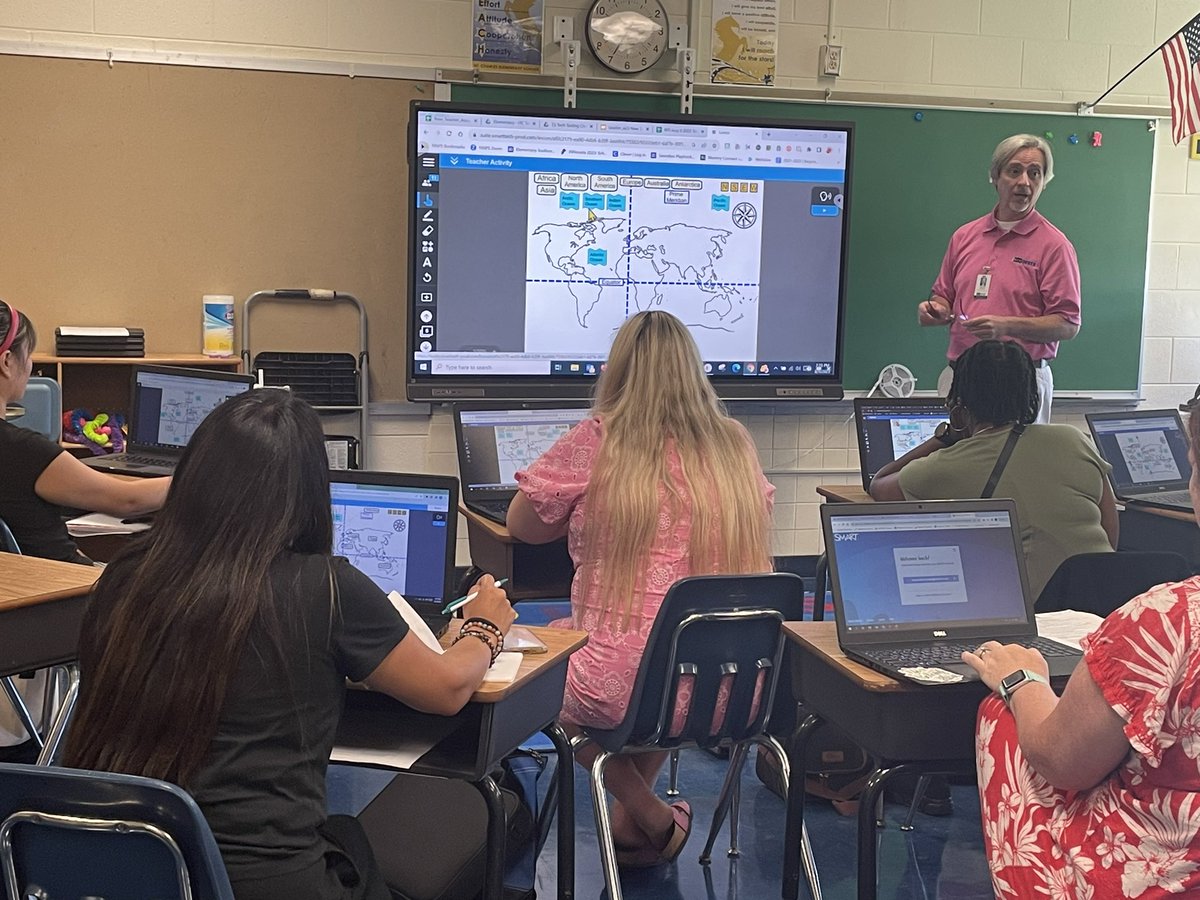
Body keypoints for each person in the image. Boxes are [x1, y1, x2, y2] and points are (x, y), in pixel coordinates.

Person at [62, 388, 515, 900]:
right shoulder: (326, 586)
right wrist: (484, 627)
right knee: (497, 806)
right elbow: (448, 688)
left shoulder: (126, 575)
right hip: (266, 881)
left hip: (121, 869)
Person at [506, 310, 774, 867]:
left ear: (618, 370)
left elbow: (522, 526)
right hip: (738, 687)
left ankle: (645, 811)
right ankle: (634, 826)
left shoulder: (598, 438)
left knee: (525, 673)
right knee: (656, 659)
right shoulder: (735, 443)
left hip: (626, 687)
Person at [959, 402, 1200, 898]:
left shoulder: (1166, 621)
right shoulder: (1071, 445)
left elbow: (1062, 761)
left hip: (1159, 877)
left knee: (1002, 718)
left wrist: (1020, 680)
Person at [870, 340, 1116, 600]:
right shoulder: (1073, 439)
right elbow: (1110, 533)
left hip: (1030, 612)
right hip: (1107, 602)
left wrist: (945, 436)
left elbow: (880, 486)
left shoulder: (951, 465)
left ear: (959, 401)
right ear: (1031, 392)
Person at [917, 134, 1081, 423]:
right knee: (957, 453)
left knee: (1017, 455)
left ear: (1044, 181)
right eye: (1014, 171)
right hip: (961, 375)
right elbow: (943, 296)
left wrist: (1006, 326)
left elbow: (1068, 325)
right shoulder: (965, 236)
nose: (1024, 182)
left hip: (1022, 380)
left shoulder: (1055, 246)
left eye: (1035, 173)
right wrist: (937, 309)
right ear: (995, 177)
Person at [0, 300, 168, 563]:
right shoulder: (24, 451)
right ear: (7, 362)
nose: (30, 365)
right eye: (28, 354)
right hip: (60, 582)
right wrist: (196, 473)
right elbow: (128, 501)